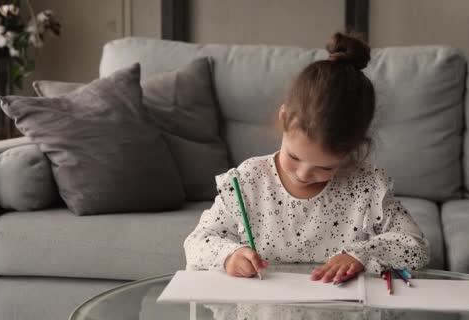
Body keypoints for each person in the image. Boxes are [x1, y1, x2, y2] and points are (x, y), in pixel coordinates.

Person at [184, 32, 430, 284]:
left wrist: (361, 255)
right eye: (294, 156)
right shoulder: (247, 181)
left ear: (352, 150)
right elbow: (197, 243)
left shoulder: (367, 186)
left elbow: (415, 246)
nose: (303, 174)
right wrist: (230, 255)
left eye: (325, 167)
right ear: (283, 117)